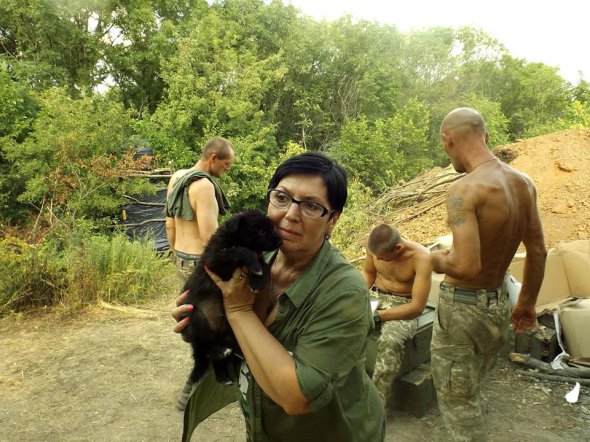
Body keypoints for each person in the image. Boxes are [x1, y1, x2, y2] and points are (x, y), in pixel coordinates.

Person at [172, 152, 385, 442]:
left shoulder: (344, 292)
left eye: (311, 206)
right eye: (282, 198)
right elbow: (240, 345)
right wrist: (202, 326)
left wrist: (238, 311)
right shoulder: (258, 260)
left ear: (333, 220)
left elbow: (297, 397)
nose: (290, 214)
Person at [430, 108, 547, 441]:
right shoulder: (524, 183)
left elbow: (467, 266)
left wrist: (433, 260)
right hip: (499, 304)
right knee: (472, 388)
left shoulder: (464, 189)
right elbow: (538, 251)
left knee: (458, 404)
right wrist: (526, 304)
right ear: (486, 137)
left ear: (447, 140)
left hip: (462, 311)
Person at [164, 136, 234, 410]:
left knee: (199, 324)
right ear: (213, 159)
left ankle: (216, 374)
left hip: (182, 258)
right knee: (217, 323)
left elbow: (169, 223)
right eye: (226, 165)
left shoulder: (178, 177)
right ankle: (197, 385)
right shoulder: (204, 186)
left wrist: (175, 253)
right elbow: (210, 238)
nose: (228, 170)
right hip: (200, 265)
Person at [362, 224, 432, 406]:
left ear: (398, 248)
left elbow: (417, 307)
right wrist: (358, 297)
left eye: (381, 257)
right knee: (340, 321)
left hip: (404, 305)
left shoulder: (421, 258)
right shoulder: (374, 248)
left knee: (390, 342)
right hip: (375, 296)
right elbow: (369, 273)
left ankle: (376, 404)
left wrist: (378, 316)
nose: (376, 258)